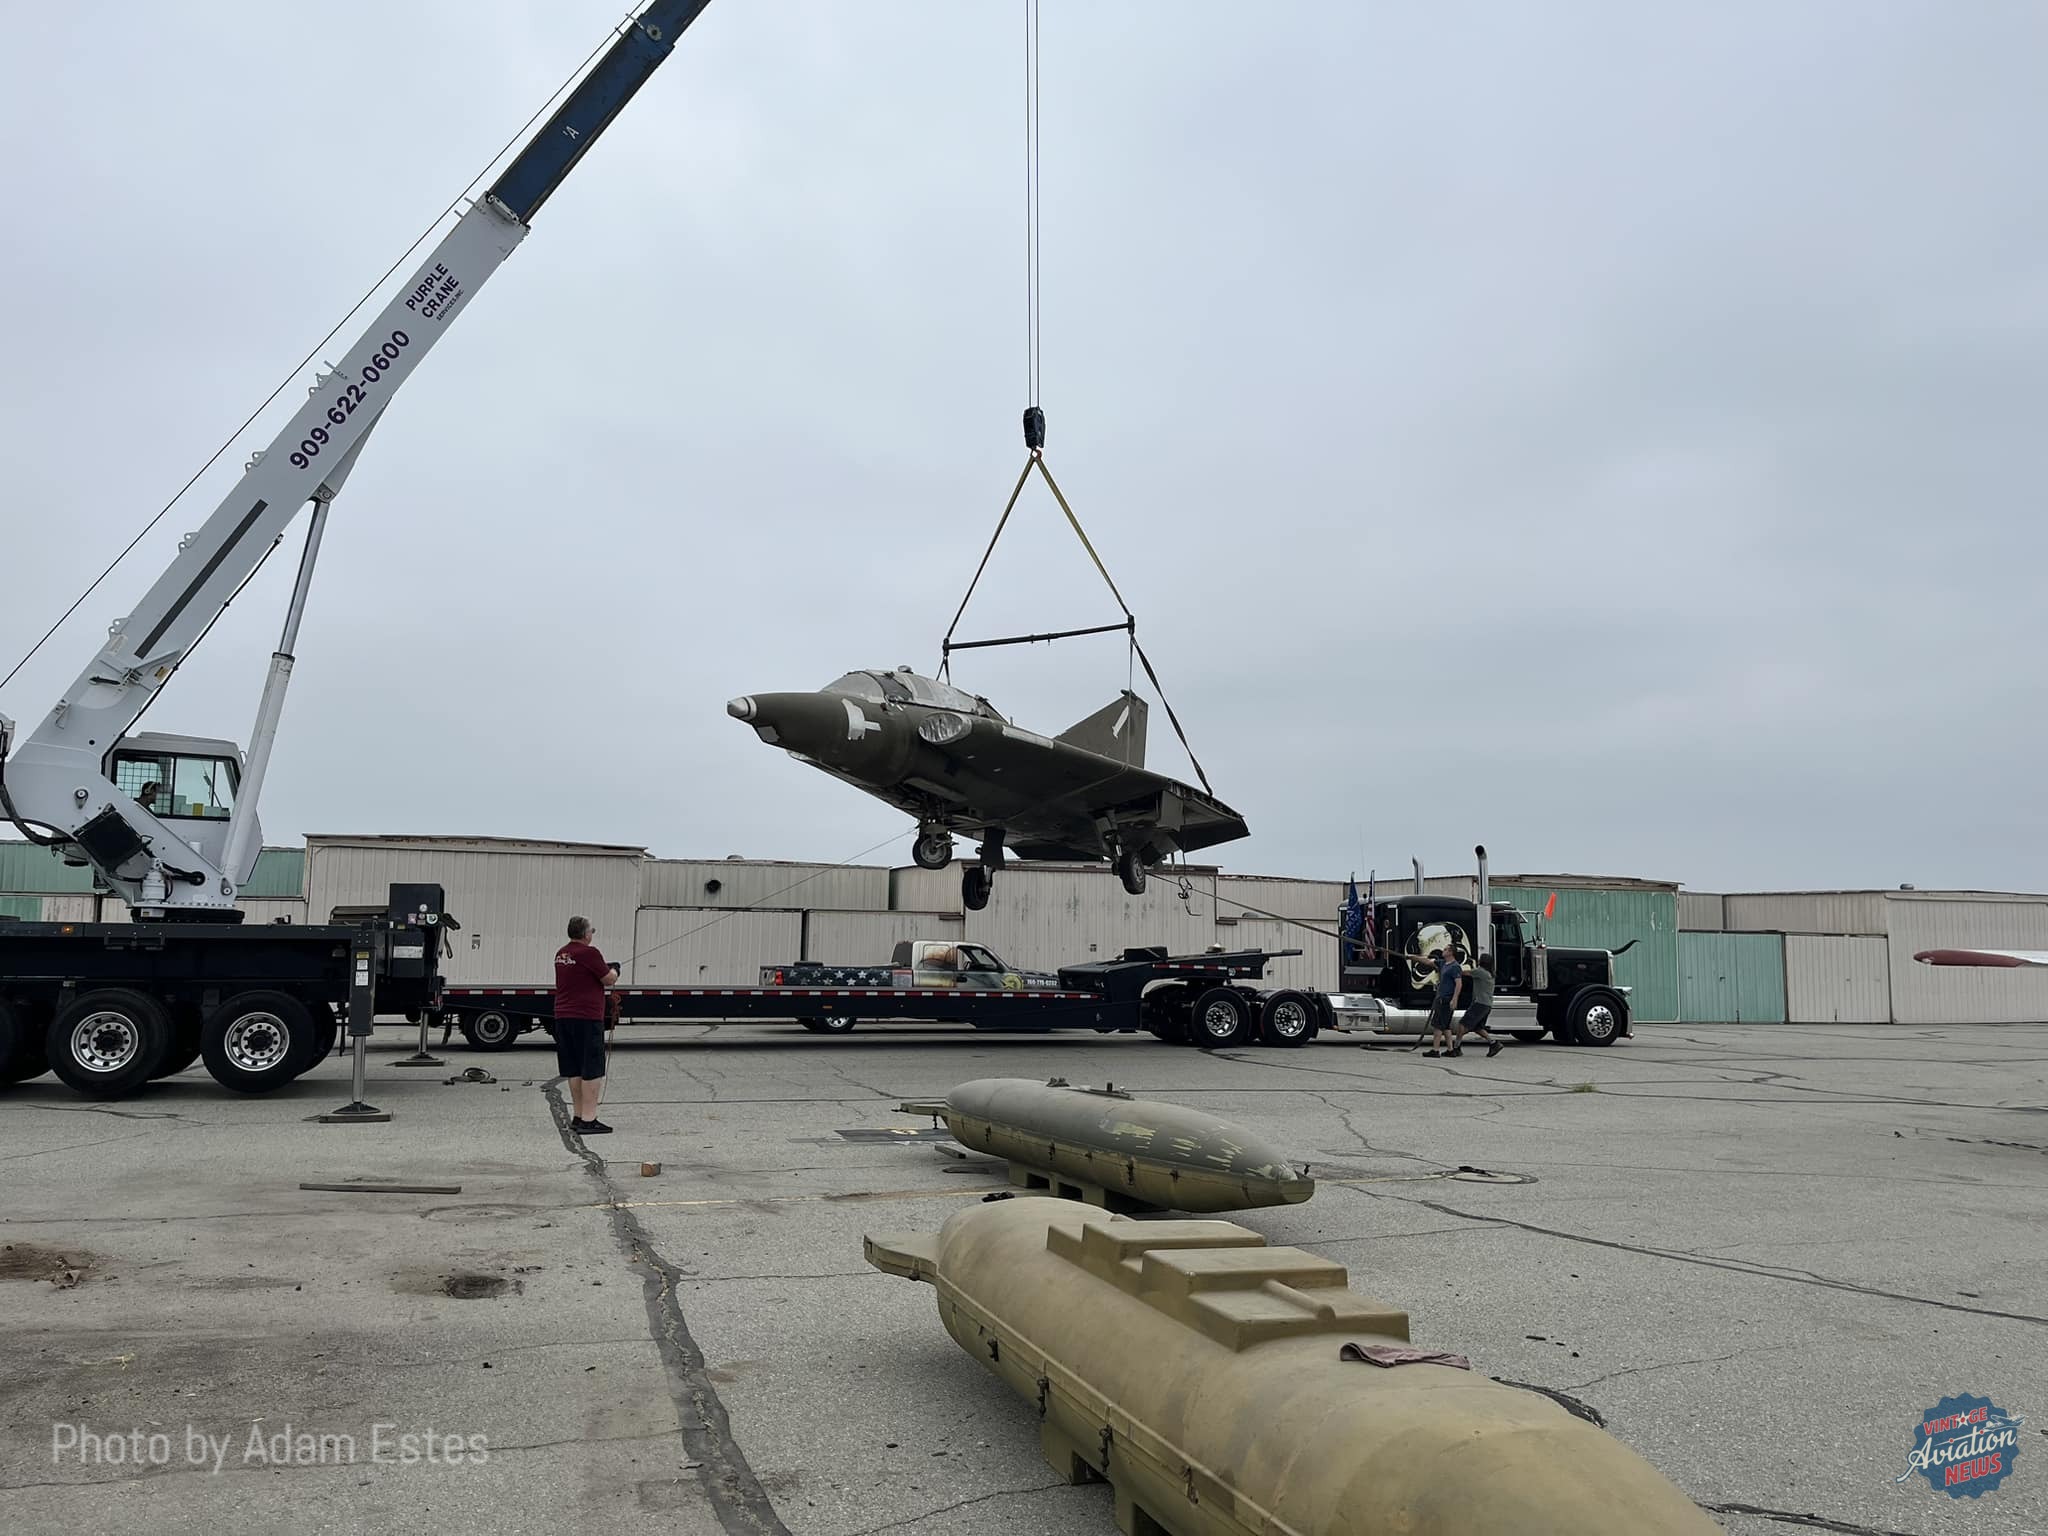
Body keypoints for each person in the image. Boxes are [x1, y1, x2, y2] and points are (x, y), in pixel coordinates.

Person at [554, 915, 619, 1136]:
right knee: (591, 1068)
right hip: (586, 1017)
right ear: (585, 934)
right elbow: (608, 979)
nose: (593, 934)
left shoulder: (562, 954)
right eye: (592, 930)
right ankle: (590, 1119)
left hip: (563, 1016)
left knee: (574, 1068)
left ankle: (579, 1115)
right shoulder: (590, 953)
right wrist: (615, 969)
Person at [1453, 951, 1505, 1058]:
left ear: (1482, 962)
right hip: (1487, 1004)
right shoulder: (1490, 973)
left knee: (1462, 1024)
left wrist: (1454, 967)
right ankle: (1493, 1043)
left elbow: (1465, 973)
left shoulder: (1480, 972)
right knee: (1477, 1028)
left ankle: (1456, 1048)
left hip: (1479, 1003)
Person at [1423, 946, 1463, 1057]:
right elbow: (1427, 961)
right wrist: (1411, 957)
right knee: (1445, 1026)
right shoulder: (1443, 964)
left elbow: (1459, 984)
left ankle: (1435, 1050)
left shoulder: (1455, 967)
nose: (1443, 951)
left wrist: (1454, 999)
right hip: (1441, 998)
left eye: (1445, 949)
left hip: (1446, 999)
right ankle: (1450, 1050)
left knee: (1438, 1025)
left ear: (1450, 952)